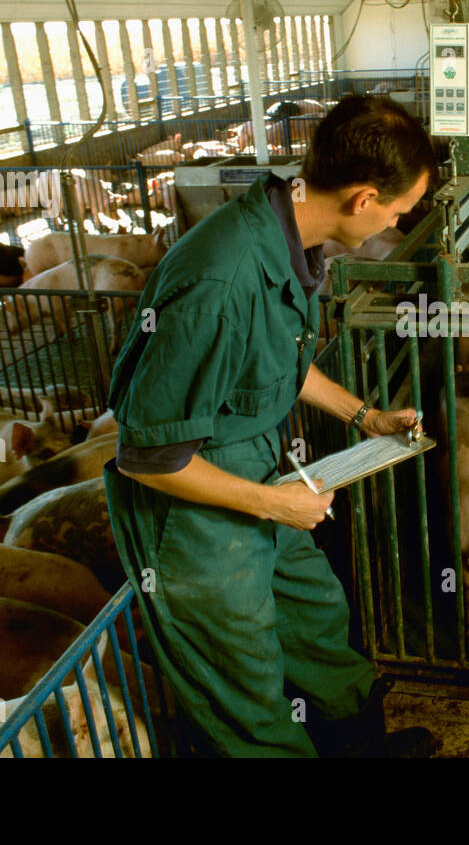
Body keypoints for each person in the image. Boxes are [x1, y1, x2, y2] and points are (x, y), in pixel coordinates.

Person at [103, 95, 439, 757]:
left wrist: (365, 415)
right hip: (192, 515)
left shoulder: (286, 235)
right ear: (364, 199)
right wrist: (276, 503)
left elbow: (278, 362)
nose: (398, 221)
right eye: (399, 210)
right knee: (247, 691)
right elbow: (150, 455)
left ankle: (356, 747)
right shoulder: (220, 280)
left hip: (253, 463)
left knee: (317, 621)